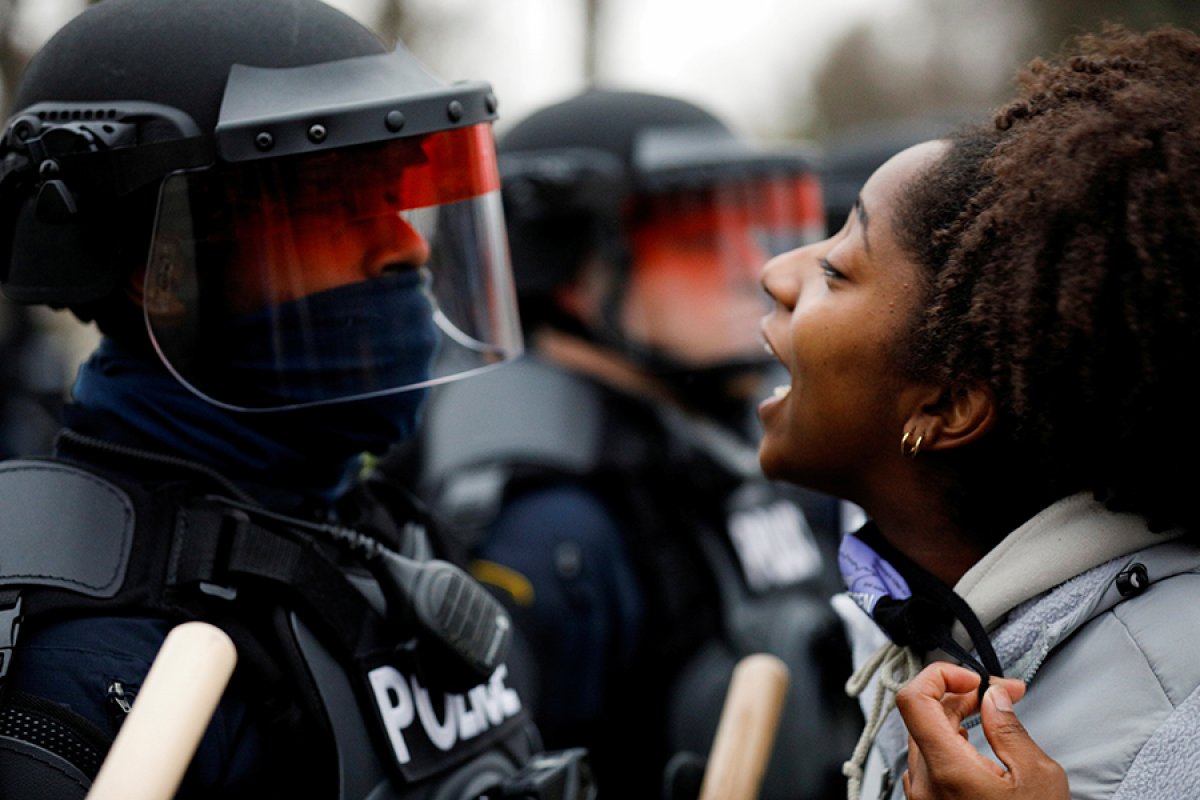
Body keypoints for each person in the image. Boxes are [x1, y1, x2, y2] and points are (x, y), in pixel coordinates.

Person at [0, 1, 595, 797]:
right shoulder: (83, 657)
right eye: (334, 201)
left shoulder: (383, 529)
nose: (407, 246)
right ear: (160, 268)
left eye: (395, 198)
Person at [756, 23, 1200, 800]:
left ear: (949, 404)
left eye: (835, 268)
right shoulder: (943, 633)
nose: (776, 273)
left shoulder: (1177, 717)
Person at [386, 88, 862, 799]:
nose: (752, 267)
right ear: (573, 271)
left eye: (751, 228)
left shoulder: (710, 440)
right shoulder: (549, 527)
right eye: (701, 243)